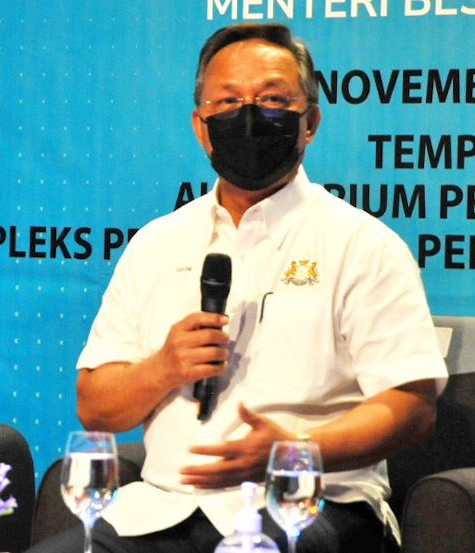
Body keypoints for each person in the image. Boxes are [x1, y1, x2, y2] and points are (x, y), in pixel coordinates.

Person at [28, 22, 447, 553]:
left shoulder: (363, 244)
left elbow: (411, 407)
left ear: (310, 121)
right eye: (228, 102)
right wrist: (163, 368)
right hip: (161, 509)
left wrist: (297, 450)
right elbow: (95, 407)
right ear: (202, 127)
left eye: (273, 101)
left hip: (311, 505)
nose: (249, 118)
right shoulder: (157, 243)